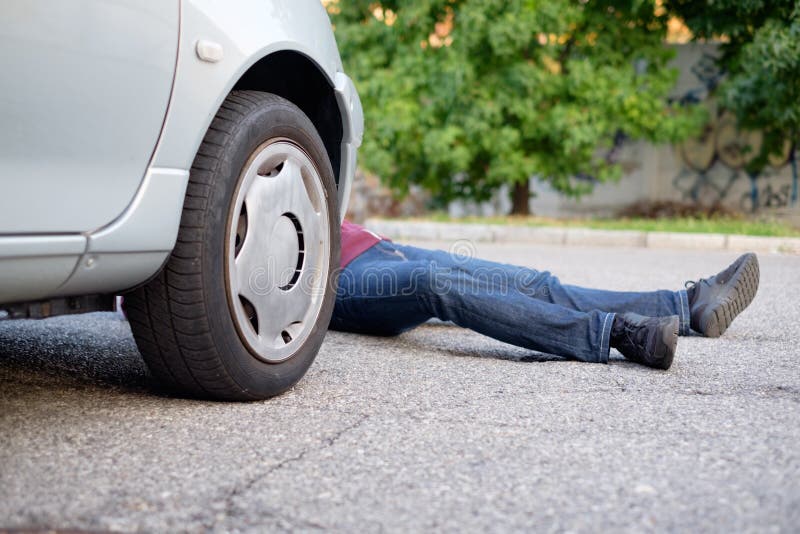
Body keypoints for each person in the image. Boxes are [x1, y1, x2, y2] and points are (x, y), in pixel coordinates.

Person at [330, 220, 760, 370]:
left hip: (374, 245)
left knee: (532, 282)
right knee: (431, 283)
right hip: (332, 281)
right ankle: (618, 335)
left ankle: (687, 308)